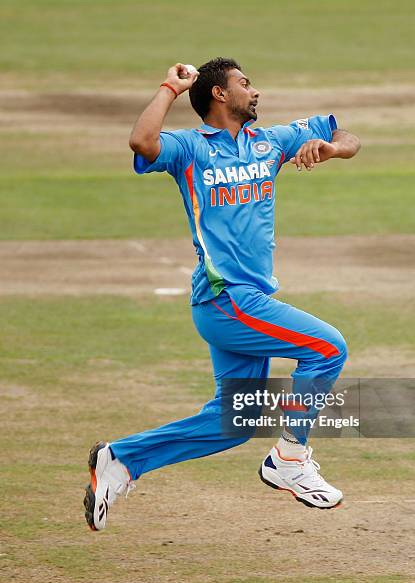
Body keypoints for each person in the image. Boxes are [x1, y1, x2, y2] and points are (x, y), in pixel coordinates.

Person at [83, 58, 360, 531]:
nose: (255, 92)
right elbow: (141, 142)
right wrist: (170, 88)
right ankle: (290, 458)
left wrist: (330, 148)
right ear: (218, 94)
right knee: (328, 347)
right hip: (226, 298)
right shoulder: (191, 148)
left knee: (233, 423)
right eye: (244, 84)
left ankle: (121, 460)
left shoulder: (270, 141)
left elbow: (351, 137)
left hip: (241, 301)